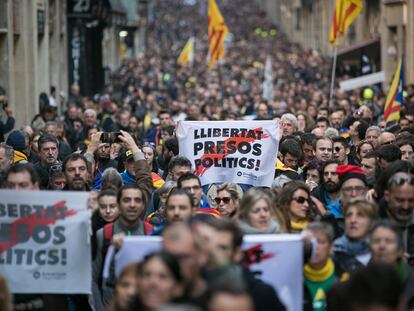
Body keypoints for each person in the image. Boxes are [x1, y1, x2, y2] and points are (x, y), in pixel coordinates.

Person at [93, 184, 152, 311]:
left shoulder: (151, 233)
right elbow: (93, 278)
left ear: (143, 206)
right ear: (119, 205)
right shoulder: (103, 234)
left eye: (137, 200)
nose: (132, 205)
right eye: (126, 200)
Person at [369, 221, 414, 309]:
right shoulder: (358, 283)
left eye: (389, 241)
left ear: (400, 250)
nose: (382, 246)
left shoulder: (411, 282)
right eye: (377, 241)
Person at [162, 222, 207, 304]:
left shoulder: (217, 303)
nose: (175, 264)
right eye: (169, 257)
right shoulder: (151, 301)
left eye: (182, 258)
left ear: (201, 256)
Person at [333, 198, 377, 275]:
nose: (353, 220)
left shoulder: (381, 254)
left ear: (371, 223)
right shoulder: (332, 253)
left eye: (360, 215)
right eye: (349, 215)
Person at [303, 221, 341, 311]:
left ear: (331, 248)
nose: (315, 247)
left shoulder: (343, 276)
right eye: (311, 242)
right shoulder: (294, 276)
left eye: (320, 242)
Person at [381, 171, 414, 253]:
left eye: (411, 200)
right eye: (400, 200)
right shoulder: (370, 223)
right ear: (387, 196)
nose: (405, 206)